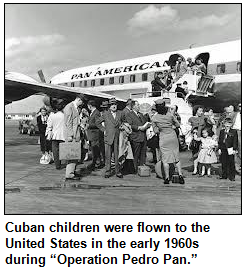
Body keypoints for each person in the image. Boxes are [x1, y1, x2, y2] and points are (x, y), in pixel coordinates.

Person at [152, 101, 185, 184]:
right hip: (172, 137)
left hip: (163, 138)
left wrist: (161, 129)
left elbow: (155, 131)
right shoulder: (170, 115)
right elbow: (177, 124)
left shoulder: (154, 118)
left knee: (165, 159)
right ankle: (180, 176)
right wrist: (171, 127)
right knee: (176, 158)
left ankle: (166, 178)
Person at [96, 98, 123, 178]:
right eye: (112, 105)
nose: (113, 106)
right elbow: (97, 122)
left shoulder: (120, 113)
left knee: (117, 154)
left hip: (117, 137)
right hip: (108, 137)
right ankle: (108, 171)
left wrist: (121, 125)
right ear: (109, 106)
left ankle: (118, 171)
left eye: (115, 104)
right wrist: (103, 130)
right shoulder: (105, 114)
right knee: (108, 155)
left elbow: (123, 121)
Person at [63, 94, 84, 180]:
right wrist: (70, 135)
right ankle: (69, 174)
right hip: (72, 135)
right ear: (78, 99)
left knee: (75, 155)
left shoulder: (74, 108)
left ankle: (73, 171)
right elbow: (68, 123)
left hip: (76, 134)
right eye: (82, 101)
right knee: (71, 155)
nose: (82, 104)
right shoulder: (69, 107)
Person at [126, 100, 150, 173]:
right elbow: (130, 125)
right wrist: (139, 127)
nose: (139, 106)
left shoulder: (141, 115)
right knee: (135, 154)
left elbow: (145, 122)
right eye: (138, 105)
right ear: (133, 106)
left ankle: (142, 168)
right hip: (136, 137)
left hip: (143, 137)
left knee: (143, 154)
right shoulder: (129, 114)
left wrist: (147, 125)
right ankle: (135, 169)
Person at [46, 101, 66, 169]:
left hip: (55, 135)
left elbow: (49, 126)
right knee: (63, 151)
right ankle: (67, 164)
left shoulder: (52, 116)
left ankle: (57, 165)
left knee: (55, 151)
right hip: (63, 135)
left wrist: (48, 133)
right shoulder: (64, 116)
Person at [87, 100, 102, 171]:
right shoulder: (94, 112)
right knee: (94, 149)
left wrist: (88, 125)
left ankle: (96, 163)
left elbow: (97, 124)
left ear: (90, 105)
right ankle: (96, 162)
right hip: (92, 134)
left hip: (95, 134)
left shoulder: (96, 113)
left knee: (95, 149)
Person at [233, 103, 241, 173]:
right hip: (235, 131)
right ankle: (237, 168)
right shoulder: (235, 114)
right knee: (236, 149)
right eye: (239, 106)